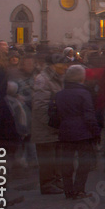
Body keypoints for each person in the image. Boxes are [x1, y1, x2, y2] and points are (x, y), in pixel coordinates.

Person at [53, 65, 99, 199]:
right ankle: (79, 189)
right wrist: (95, 131)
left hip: (65, 131)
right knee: (84, 162)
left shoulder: (60, 94)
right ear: (81, 77)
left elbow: (54, 114)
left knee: (67, 162)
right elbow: (89, 115)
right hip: (83, 132)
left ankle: (68, 190)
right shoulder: (84, 93)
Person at [31, 52, 69, 194]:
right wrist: (51, 123)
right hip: (45, 127)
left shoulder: (59, 78)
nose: (66, 67)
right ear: (53, 66)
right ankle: (47, 184)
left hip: (56, 125)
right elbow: (40, 106)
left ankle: (56, 180)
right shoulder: (43, 79)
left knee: (57, 157)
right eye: (63, 65)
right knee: (47, 158)